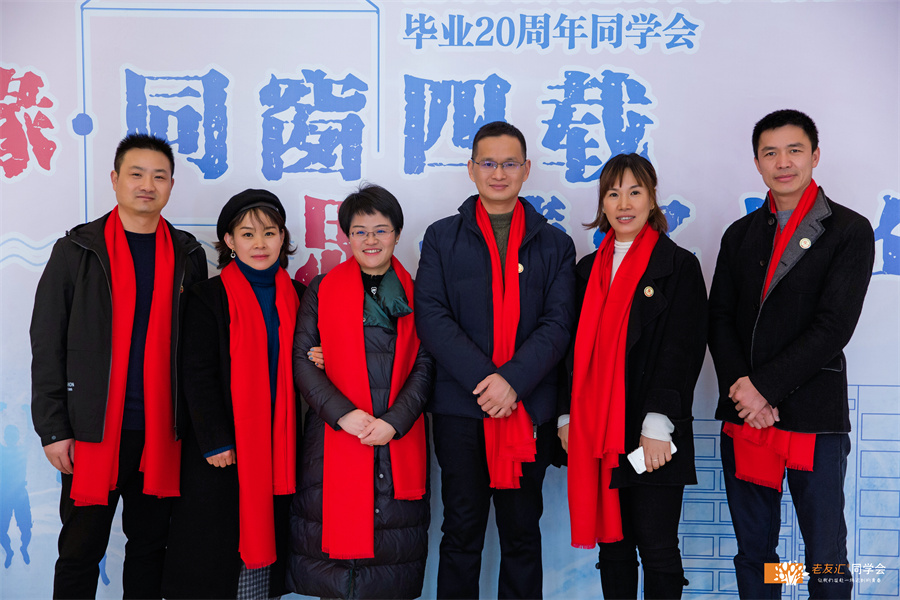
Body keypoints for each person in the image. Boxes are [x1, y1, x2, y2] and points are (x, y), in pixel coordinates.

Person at [30, 133, 208, 598]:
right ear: (115, 179)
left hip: (162, 433)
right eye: (136, 174)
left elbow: (196, 350)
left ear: (171, 185)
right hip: (91, 431)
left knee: (150, 551)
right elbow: (47, 343)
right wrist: (53, 428)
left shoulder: (188, 255)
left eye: (159, 176)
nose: (147, 185)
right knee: (79, 553)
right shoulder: (77, 250)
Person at [708, 109, 875, 599]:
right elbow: (719, 319)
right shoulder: (740, 234)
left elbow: (833, 327)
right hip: (747, 418)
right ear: (757, 163)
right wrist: (744, 393)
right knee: (756, 554)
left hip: (812, 418)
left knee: (824, 556)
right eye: (771, 153)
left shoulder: (849, 230)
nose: (783, 162)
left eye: (794, 150)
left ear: (815, 156)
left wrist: (763, 388)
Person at [415, 121, 576, 599]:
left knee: (522, 535)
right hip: (460, 410)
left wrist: (513, 383)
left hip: (527, 410)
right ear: (471, 169)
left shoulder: (555, 244)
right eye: (488, 163)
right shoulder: (441, 237)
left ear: (527, 169)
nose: (499, 173)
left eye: (510, 163)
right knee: (460, 533)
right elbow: (432, 317)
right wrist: (489, 381)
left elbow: (558, 324)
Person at [559, 153, 707, 599]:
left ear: (652, 198)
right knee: (614, 548)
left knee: (657, 547)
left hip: (652, 433)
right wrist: (566, 416)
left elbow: (683, 349)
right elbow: (568, 349)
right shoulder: (587, 270)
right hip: (598, 431)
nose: (624, 204)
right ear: (602, 203)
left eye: (635, 192)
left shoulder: (678, 266)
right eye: (613, 193)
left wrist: (659, 421)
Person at [286, 184, 434, 599]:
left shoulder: (419, 293)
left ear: (397, 234)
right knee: (334, 570)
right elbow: (302, 360)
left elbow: (426, 366)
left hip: (396, 438)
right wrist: (344, 415)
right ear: (346, 236)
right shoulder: (322, 289)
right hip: (333, 437)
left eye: (381, 230)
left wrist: (394, 423)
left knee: (388, 565)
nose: (371, 240)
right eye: (360, 231)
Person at [162, 189, 304, 599]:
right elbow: (197, 373)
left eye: (269, 233)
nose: (260, 244)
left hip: (280, 444)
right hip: (224, 448)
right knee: (216, 552)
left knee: (268, 545)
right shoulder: (207, 297)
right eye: (247, 234)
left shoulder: (299, 295)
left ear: (282, 237)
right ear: (229, 241)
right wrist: (215, 439)